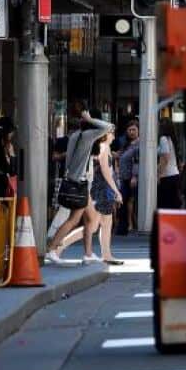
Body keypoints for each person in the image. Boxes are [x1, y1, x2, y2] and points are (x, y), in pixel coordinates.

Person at [46, 112, 113, 265]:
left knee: (91, 219)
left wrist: (89, 120)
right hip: (79, 184)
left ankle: (88, 254)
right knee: (74, 220)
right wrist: (91, 119)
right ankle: (52, 249)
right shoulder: (87, 136)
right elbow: (108, 127)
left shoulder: (76, 135)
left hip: (78, 182)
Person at [86, 131, 124, 265]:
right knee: (93, 225)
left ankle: (107, 255)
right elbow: (106, 173)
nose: (113, 136)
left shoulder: (103, 147)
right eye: (111, 133)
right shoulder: (104, 147)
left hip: (102, 189)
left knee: (106, 223)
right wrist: (116, 191)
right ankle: (58, 247)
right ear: (105, 135)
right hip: (101, 190)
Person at [116, 128, 139, 236]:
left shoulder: (138, 144)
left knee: (127, 201)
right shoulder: (127, 144)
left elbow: (136, 162)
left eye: (134, 129)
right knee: (124, 202)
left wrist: (134, 176)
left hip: (131, 178)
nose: (131, 132)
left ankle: (128, 226)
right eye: (129, 130)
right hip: (124, 177)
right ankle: (124, 226)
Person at [156, 121, 182, 209]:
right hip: (174, 175)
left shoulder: (163, 139)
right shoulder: (171, 139)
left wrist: (159, 175)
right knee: (172, 205)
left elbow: (165, 158)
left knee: (165, 205)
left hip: (167, 177)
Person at [0, 126, 17, 199]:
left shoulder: (1, 150)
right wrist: (12, 155)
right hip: (0, 187)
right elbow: (11, 171)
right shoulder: (1, 152)